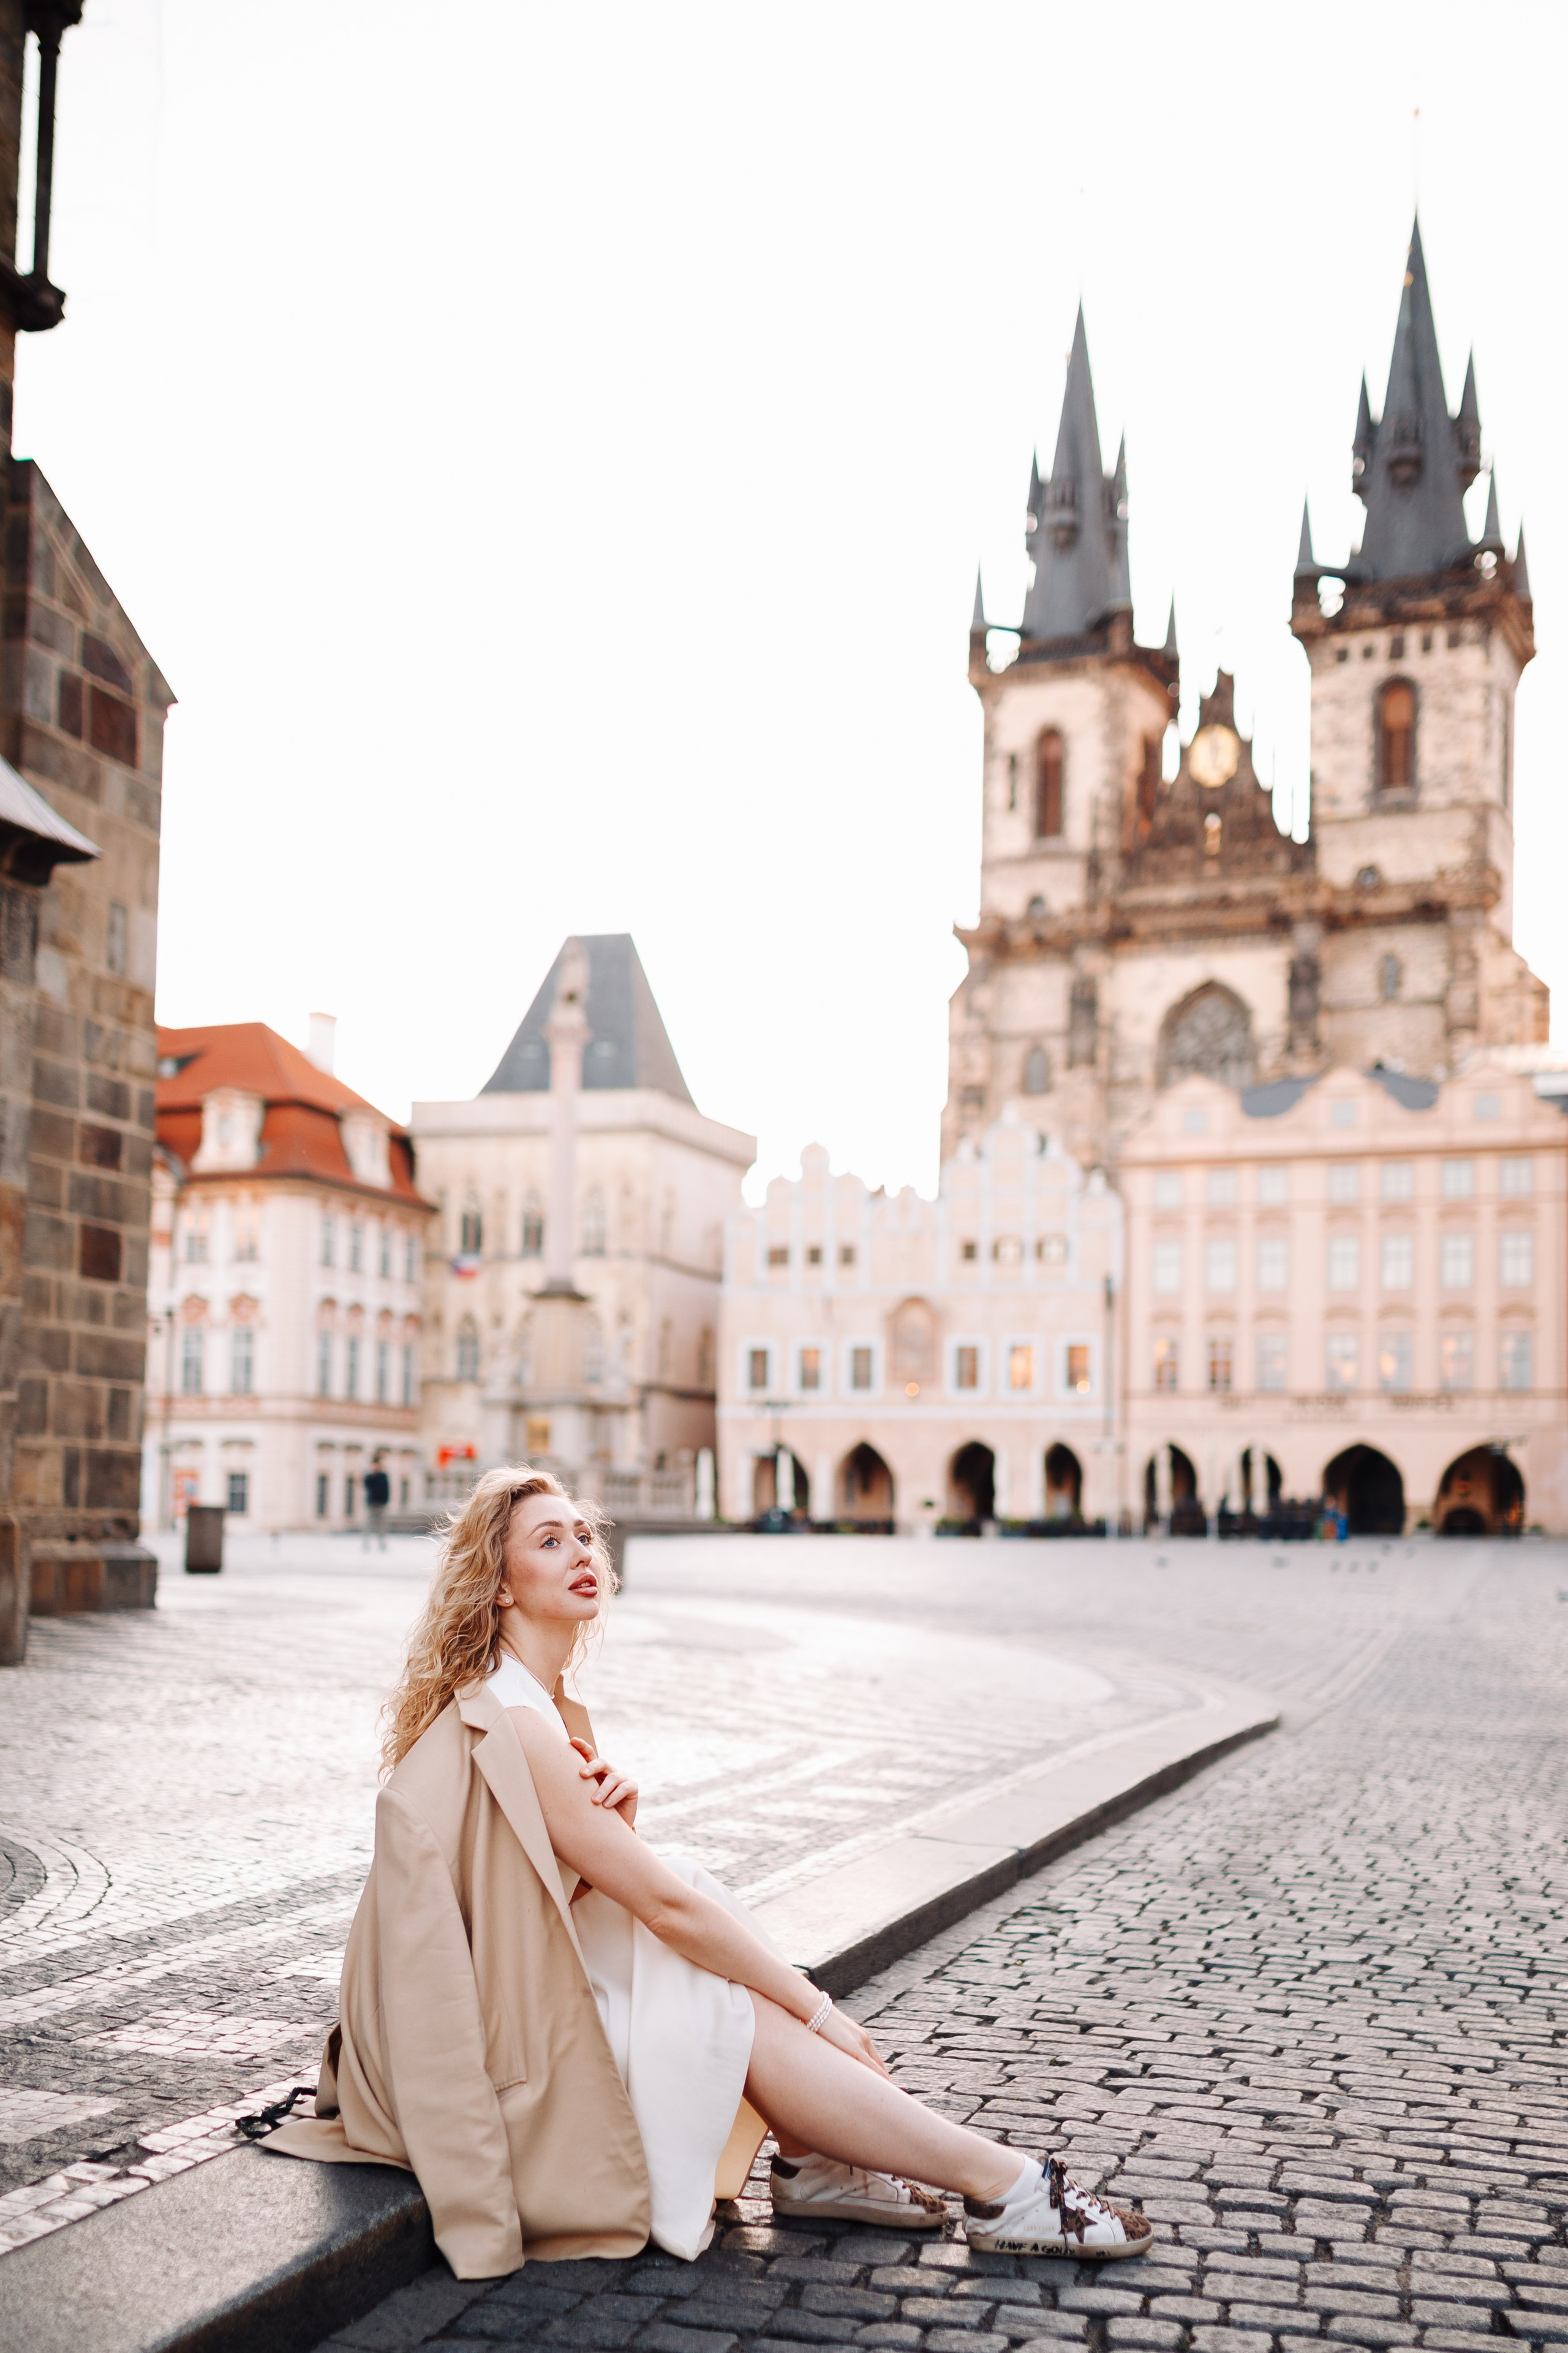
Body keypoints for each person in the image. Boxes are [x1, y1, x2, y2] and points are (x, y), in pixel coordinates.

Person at [266, 1466, 1150, 2278]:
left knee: (714, 1970)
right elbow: (662, 1905)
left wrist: (618, 1827)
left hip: (510, 1993)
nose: (581, 1552)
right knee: (732, 1994)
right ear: (500, 1586)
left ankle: (833, 2166)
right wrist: (817, 2005)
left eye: (583, 1534)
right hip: (495, 2044)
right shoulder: (519, 1718)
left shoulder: (531, 1700)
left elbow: (539, 1896)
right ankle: (998, 2183)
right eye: (549, 1541)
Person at [362, 1452, 391, 1550]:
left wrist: (384, 1502)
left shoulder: (383, 1476)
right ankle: (366, 1544)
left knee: (381, 1526)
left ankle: (382, 1544)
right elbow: (366, 1485)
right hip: (372, 1504)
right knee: (368, 1525)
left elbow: (386, 1490)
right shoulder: (371, 1476)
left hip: (381, 1504)